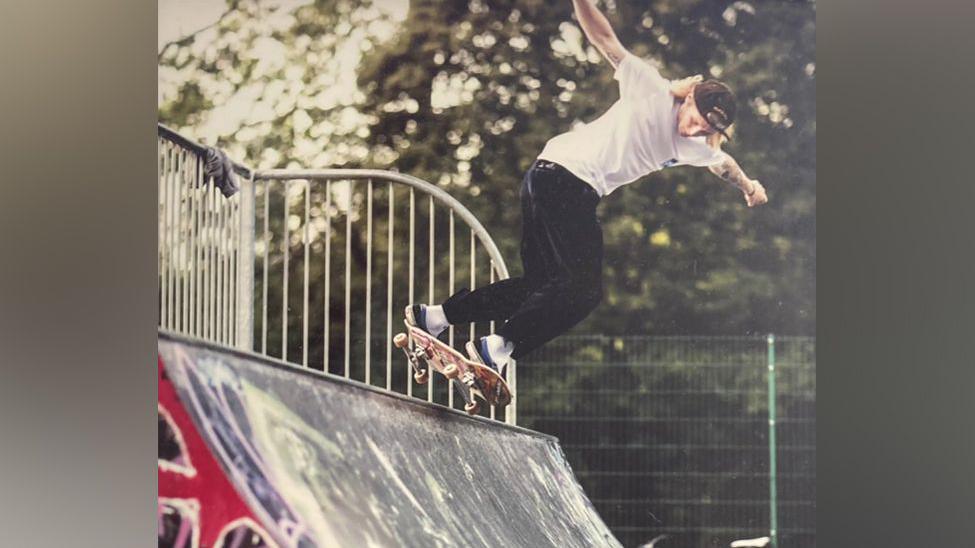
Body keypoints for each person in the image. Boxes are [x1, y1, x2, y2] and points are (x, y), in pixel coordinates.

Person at [407, 0, 768, 377]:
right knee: (584, 290)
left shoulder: (695, 147)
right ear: (690, 98)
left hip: (544, 178)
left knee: (542, 286)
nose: (696, 131)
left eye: (707, 130)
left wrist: (748, 185)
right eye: (696, 120)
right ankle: (497, 347)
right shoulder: (651, 89)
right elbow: (605, 40)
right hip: (569, 182)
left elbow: (722, 164)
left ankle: (435, 317)